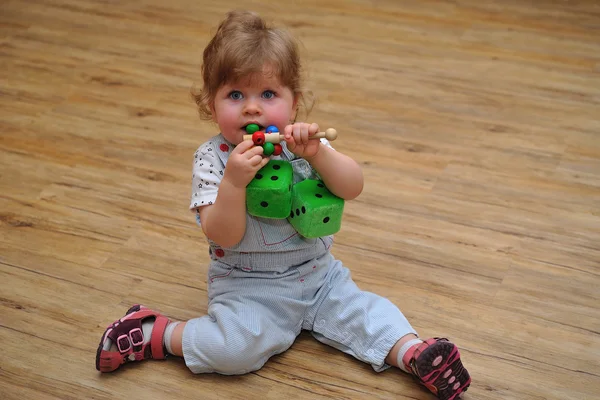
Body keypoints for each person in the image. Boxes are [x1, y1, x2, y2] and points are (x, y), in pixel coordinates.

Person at [95, 10, 471, 400]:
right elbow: (222, 232)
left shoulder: (303, 146)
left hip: (320, 276)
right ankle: (155, 332)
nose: (252, 108)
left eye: (268, 94)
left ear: (294, 105)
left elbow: (352, 186)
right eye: (235, 95)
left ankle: (415, 354)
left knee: (369, 312)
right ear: (211, 104)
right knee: (232, 351)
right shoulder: (213, 159)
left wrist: (321, 157)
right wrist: (234, 183)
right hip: (247, 286)